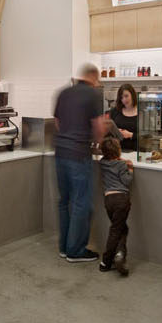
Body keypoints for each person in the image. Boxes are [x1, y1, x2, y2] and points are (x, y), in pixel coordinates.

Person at [52, 65, 108, 262]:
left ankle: (64, 247)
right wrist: (99, 143)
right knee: (80, 202)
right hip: (78, 154)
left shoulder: (64, 92)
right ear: (93, 78)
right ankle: (76, 250)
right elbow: (99, 126)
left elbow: (57, 122)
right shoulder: (92, 95)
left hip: (60, 153)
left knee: (64, 201)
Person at [98, 134, 133, 276]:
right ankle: (106, 261)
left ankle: (119, 255)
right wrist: (130, 169)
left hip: (109, 201)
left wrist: (121, 160)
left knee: (121, 228)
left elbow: (111, 160)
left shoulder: (102, 162)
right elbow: (127, 181)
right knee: (116, 231)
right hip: (122, 200)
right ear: (118, 150)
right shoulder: (122, 165)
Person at [109, 82, 139, 152]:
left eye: (126, 96)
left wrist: (131, 135)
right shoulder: (115, 111)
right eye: (121, 97)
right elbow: (107, 133)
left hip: (136, 152)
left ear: (132, 95)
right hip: (117, 152)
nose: (124, 100)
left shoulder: (143, 112)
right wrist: (115, 132)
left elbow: (148, 137)